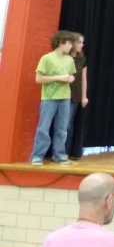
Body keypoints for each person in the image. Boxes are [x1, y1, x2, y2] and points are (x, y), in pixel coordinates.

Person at [31, 31, 77, 166]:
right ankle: (37, 156)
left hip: (65, 97)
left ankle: (60, 155)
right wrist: (57, 78)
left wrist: (70, 78)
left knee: (62, 128)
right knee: (43, 127)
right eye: (69, 44)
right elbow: (38, 79)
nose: (71, 47)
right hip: (49, 97)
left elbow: (73, 76)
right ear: (61, 42)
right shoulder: (46, 58)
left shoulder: (69, 60)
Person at [66, 32, 88, 160]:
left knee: (68, 124)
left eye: (82, 42)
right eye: (79, 42)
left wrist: (84, 96)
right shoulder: (64, 57)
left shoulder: (82, 59)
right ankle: (57, 152)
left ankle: (66, 152)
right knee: (60, 124)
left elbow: (84, 79)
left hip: (74, 94)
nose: (82, 45)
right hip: (61, 93)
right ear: (72, 43)